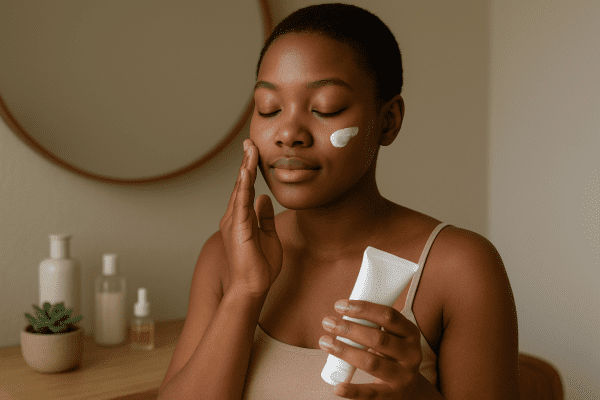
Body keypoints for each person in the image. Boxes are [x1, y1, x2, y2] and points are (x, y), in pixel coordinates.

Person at [157, 3, 519, 399]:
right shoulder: (224, 257)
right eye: (269, 108)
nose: (288, 133)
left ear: (388, 121)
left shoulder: (461, 268)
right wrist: (245, 291)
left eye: (325, 107)